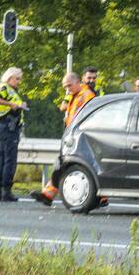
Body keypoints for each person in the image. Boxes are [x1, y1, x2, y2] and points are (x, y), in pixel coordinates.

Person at [33, 72, 96, 206]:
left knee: (65, 164)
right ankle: (48, 194)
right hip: (71, 135)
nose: (67, 89)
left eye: (69, 85)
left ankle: (49, 194)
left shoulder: (86, 95)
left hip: (79, 136)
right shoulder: (74, 94)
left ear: (78, 82)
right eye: (65, 87)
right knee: (63, 164)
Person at [0, 67, 28, 202]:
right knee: (10, 160)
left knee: (2, 159)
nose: (19, 82)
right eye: (17, 79)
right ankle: (6, 191)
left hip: (5, 126)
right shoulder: (4, 87)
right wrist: (11, 104)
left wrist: (20, 105)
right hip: (9, 127)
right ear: (10, 77)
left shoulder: (10, 90)